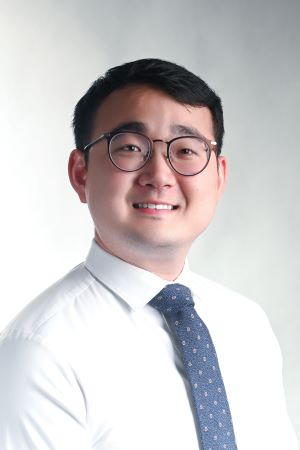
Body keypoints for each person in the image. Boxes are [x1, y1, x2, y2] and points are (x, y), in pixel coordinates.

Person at [0, 58, 297, 450]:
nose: (159, 175)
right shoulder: (40, 351)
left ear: (220, 176)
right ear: (81, 173)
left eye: (187, 150)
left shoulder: (247, 325)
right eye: (129, 147)